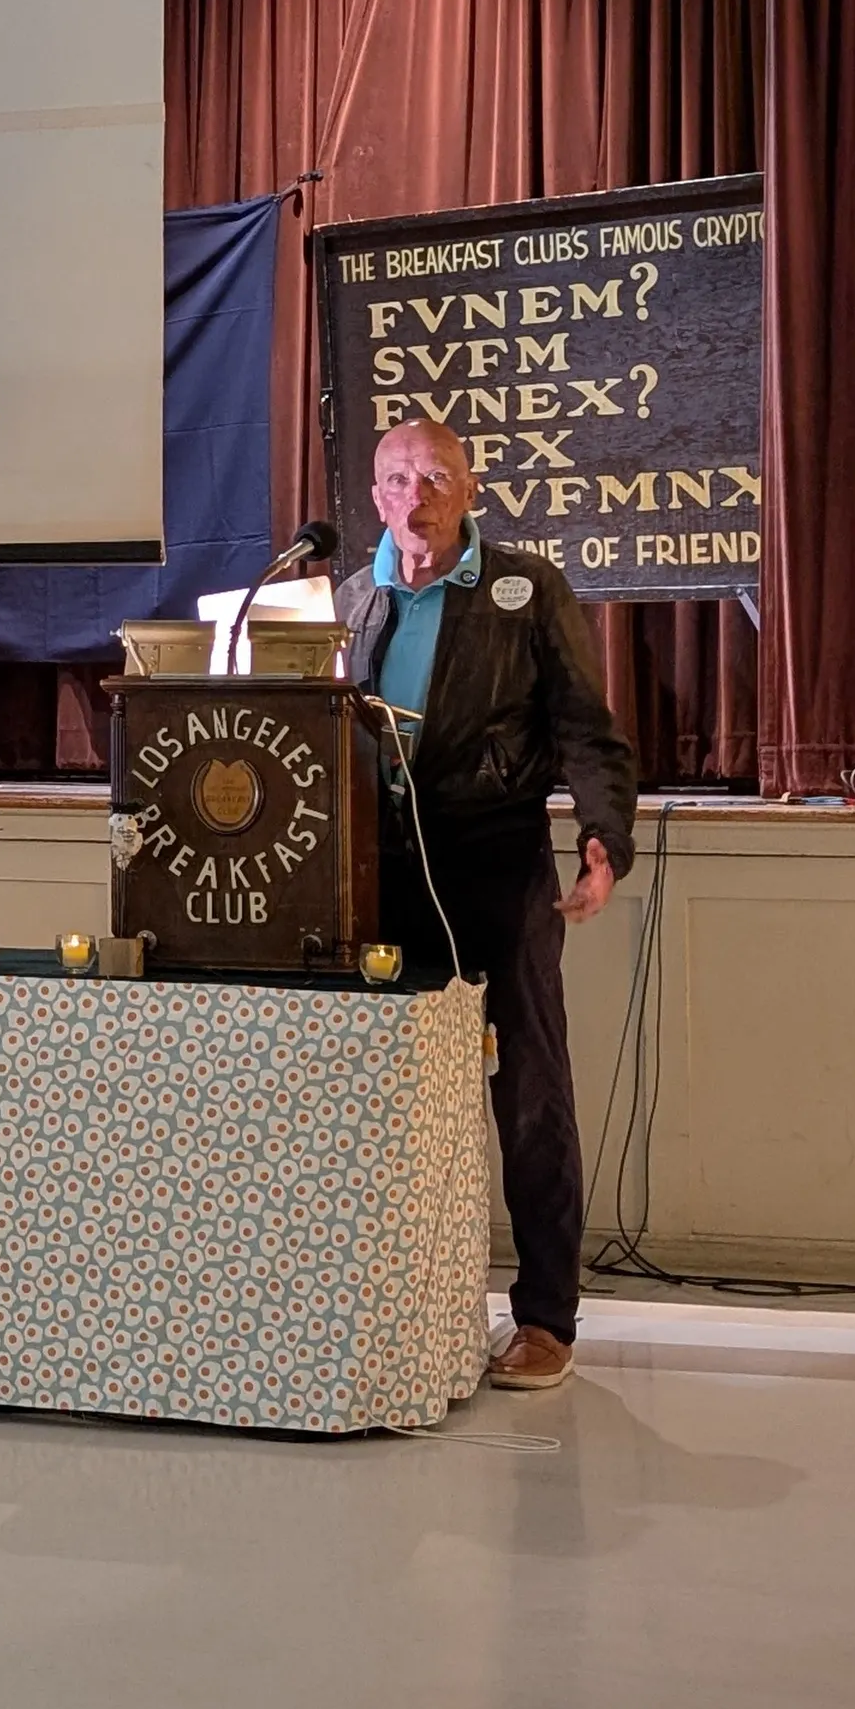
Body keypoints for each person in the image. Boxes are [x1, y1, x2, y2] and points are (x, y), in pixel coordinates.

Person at [335, 419, 637, 1391]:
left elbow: (586, 729)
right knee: (382, 1099)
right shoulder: (346, 600)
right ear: (373, 497)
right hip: (375, 875)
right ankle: (394, 1298)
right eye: (394, 478)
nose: (413, 495)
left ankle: (546, 1318)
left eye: (433, 476)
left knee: (529, 1092)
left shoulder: (524, 589)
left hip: (496, 865)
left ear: (469, 489)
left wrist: (603, 837)